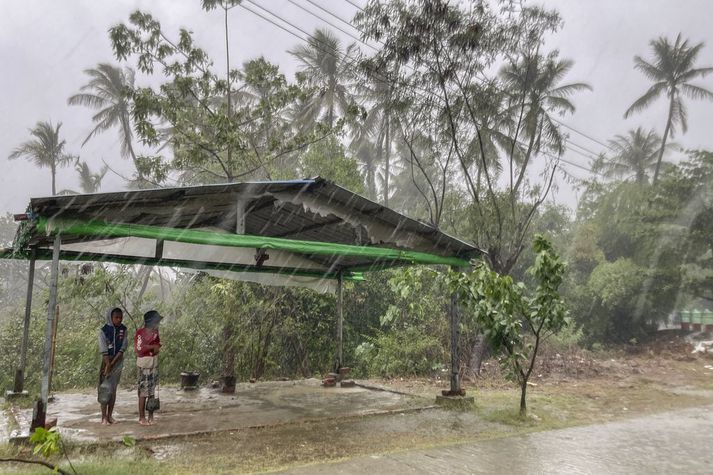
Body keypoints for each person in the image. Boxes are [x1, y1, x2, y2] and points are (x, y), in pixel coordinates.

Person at [98, 307, 127, 425]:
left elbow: (123, 347)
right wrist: (107, 364)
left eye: (121, 317)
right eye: (116, 317)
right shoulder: (103, 331)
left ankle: (110, 415)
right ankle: (103, 417)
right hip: (105, 361)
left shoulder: (124, 330)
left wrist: (113, 363)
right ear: (110, 317)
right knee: (105, 388)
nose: (119, 320)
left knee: (113, 389)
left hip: (117, 361)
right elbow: (103, 348)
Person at [135, 310, 163, 426]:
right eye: (157, 322)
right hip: (144, 365)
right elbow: (139, 349)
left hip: (153, 364)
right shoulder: (140, 333)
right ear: (151, 322)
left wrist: (157, 347)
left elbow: (158, 344)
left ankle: (151, 416)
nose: (158, 324)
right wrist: (152, 347)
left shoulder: (156, 332)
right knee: (143, 392)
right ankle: (142, 417)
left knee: (152, 392)